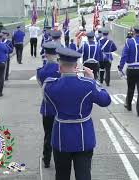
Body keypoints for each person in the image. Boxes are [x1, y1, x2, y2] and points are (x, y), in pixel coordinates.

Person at [43, 47, 111, 180]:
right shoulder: (88, 85)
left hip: (61, 136)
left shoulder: (50, 86)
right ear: (76, 66)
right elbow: (105, 100)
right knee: (84, 175)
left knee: (61, 175)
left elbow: (51, 99)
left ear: (60, 66)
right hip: (83, 137)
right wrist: (93, 80)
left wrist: (63, 74)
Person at [36, 41, 61, 168]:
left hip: (47, 108)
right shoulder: (62, 69)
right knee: (61, 134)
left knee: (48, 134)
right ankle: (60, 158)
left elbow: (42, 86)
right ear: (57, 54)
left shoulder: (40, 71)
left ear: (45, 54)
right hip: (61, 108)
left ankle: (46, 158)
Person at [118, 25, 139, 116]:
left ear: (134, 31)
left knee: (130, 88)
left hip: (131, 69)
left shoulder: (129, 42)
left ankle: (128, 105)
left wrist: (120, 67)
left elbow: (124, 55)